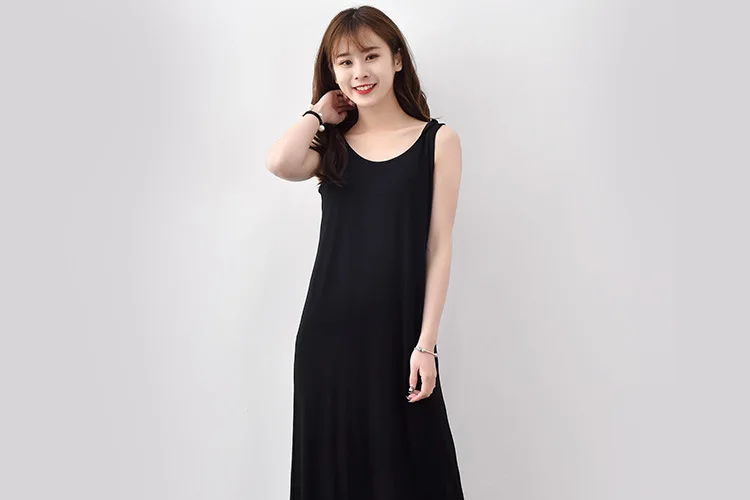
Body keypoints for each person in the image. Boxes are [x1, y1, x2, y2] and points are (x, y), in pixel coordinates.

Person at [265, 6, 464, 500]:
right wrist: (317, 113)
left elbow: (439, 246)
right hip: (328, 342)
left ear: (396, 59)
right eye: (345, 62)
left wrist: (426, 344)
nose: (360, 72)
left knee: (415, 475)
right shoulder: (330, 145)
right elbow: (280, 163)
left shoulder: (438, 141)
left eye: (371, 56)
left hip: (399, 341)